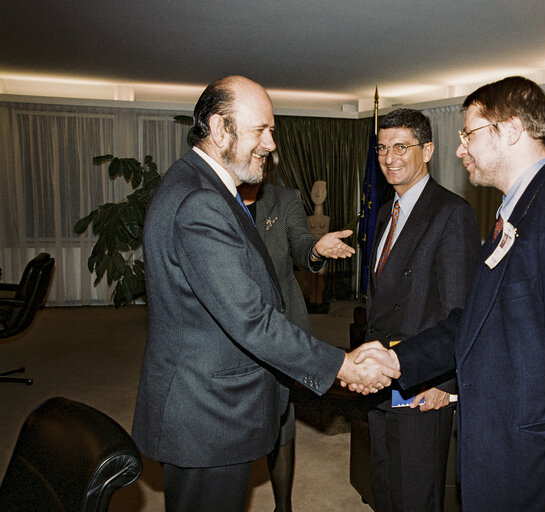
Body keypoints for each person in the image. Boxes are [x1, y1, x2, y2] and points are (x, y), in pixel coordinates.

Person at [355, 76, 545, 511]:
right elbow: (472, 323)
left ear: (509, 130)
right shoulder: (512, 214)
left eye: (468, 134)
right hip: (498, 451)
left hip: (535, 464)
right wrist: (399, 360)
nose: (459, 149)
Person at [131, 75, 398, 512]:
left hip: (207, 403)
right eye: (261, 130)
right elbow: (250, 318)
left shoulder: (200, 185)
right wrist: (342, 366)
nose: (272, 144)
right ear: (220, 129)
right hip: (207, 415)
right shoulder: (200, 201)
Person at [364, 108, 479, 512]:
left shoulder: (452, 213)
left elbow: (461, 311)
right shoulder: (384, 213)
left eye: (401, 146)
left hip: (421, 386)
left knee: (415, 497)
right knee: (384, 489)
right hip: (381, 380)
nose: (389, 157)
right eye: (382, 147)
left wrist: (445, 386)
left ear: (427, 150)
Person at [238, 156, 354, 512]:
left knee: (282, 417)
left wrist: (316, 250)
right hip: (235, 326)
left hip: (282, 323)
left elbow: (302, 243)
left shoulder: (283, 198)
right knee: (239, 417)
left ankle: (283, 507)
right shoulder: (215, 197)